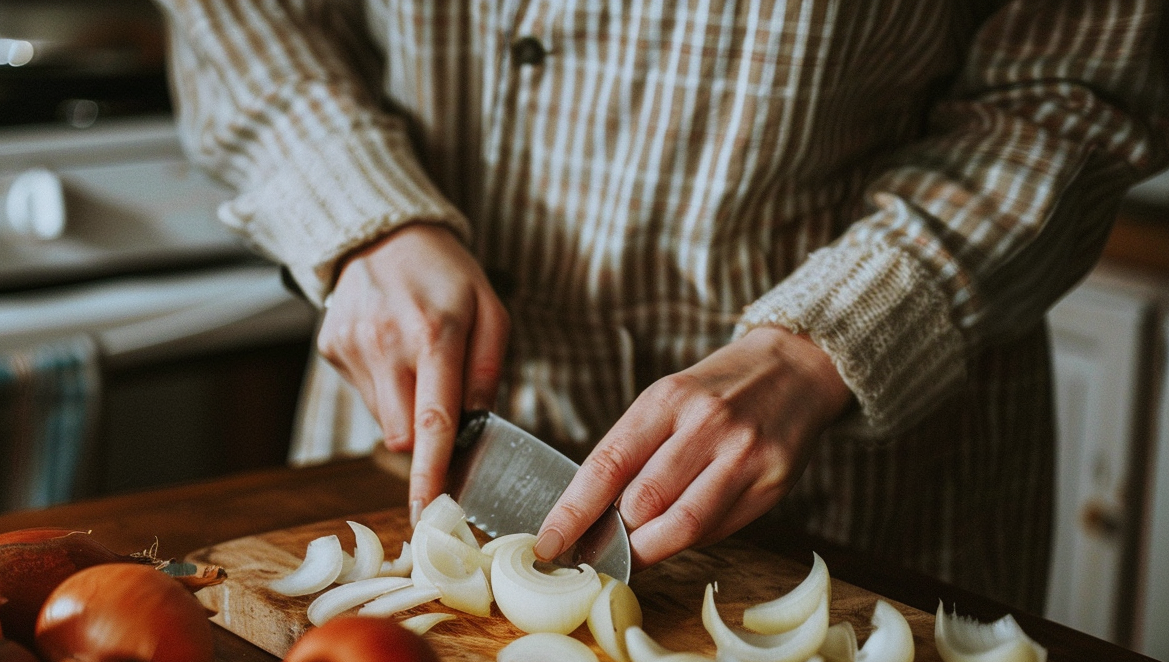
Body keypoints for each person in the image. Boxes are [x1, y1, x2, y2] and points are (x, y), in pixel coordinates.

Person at [154, 0, 1167, 612]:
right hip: (405, 413)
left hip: (857, 474)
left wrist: (830, 342)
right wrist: (357, 212)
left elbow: (1071, 92)